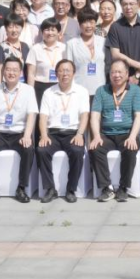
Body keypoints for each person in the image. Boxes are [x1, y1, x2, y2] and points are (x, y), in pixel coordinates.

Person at [0, 57, 38, 204]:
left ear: (20, 72)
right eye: (8, 69)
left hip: (19, 133)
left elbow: (31, 114)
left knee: (28, 149)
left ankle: (21, 188)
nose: (11, 73)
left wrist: (27, 136)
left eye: (15, 70)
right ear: (3, 71)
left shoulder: (28, 90)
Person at [88, 59, 140, 203]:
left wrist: (132, 137)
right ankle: (106, 188)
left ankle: (123, 188)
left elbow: (138, 117)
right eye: (113, 72)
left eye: (120, 72)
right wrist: (96, 136)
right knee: (95, 148)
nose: (116, 75)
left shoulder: (135, 91)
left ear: (127, 74)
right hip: (107, 134)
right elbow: (95, 116)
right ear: (109, 74)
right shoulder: (101, 91)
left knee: (130, 149)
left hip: (127, 133)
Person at [35, 59, 90, 203]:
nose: (64, 74)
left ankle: (71, 189)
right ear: (56, 74)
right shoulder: (48, 92)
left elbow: (85, 115)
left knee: (77, 151)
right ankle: (50, 189)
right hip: (52, 133)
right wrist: (44, 135)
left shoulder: (82, 91)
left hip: (73, 133)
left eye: (67, 70)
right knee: (42, 150)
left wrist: (80, 134)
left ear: (73, 73)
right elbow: (43, 117)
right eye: (61, 71)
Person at [65, 8, 107, 97]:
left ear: (95, 24)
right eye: (85, 22)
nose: (88, 26)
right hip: (79, 89)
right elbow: (69, 68)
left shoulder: (103, 42)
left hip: (101, 88)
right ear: (80, 24)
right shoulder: (71, 44)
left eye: (91, 22)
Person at [26, 18, 67, 104]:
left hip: (59, 85)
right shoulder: (35, 49)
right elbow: (31, 73)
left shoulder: (64, 48)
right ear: (42, 32)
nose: (50, 33)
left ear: (58, 32)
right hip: (40, 87)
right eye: (47, 30)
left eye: (53, 30)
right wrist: (30, 93)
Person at [0, 14, 31, 86]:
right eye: (10, 27)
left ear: (22, 28)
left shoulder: (25, 46)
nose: (14, 30)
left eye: (17, 27)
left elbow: (29, 70)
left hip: (22, 86)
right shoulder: (1, 47)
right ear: (6, 29)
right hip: (6, 86)